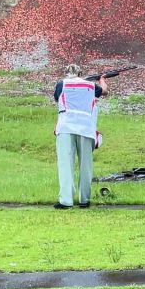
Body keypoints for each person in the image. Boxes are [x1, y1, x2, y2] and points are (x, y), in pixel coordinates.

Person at [53, 64, 108, 209]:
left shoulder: (61, 84)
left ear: (66, 73)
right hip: (86, 128)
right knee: (86, 166)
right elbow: (105, 91)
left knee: (65, 165)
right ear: (80, 73)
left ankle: (66, 200)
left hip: (65, 127)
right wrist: (102, 79)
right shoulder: (90, 85)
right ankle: (84, 200)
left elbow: (57, 99)